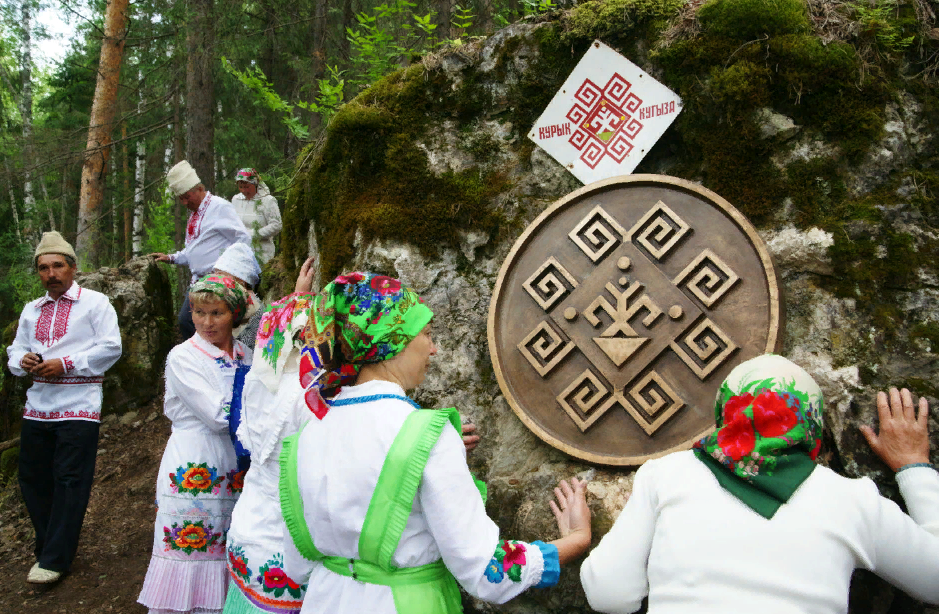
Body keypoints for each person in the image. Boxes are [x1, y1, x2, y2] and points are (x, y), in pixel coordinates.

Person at [272, 272, 591, 614]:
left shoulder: (307, 433)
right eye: (424, 333)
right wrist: (574, 540)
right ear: (392, 342)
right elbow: (486, 572)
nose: (434, 347)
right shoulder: (428, 434)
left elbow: (296, 565)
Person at [580, 354, 939, 614]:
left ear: (726, 413)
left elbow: (608, 593)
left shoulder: (667, 475)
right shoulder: (852, 500)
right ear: (811, 421)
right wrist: (914, 467)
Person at [6, 231, 122, 585]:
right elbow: (14, 350)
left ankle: (55, 559)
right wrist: (21, 360)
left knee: (70, 480)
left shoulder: (96, 303)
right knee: (32, 479)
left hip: (79, 405)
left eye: (58, 265)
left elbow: (111, 348)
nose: (51, 273)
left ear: (73, 267)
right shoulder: (31, 310)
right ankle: (48, 547)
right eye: (44, 267)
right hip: (37, 405)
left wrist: (66, 363)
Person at [138, 275, 253, 614]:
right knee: (193, 544)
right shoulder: (183, 357)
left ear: (234, 313)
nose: (205, 322)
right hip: (196, 458)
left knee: (228, 543)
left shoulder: (245, 353)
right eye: (198, 312)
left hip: (234, 461)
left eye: (215, 313)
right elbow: (218, 414)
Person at [150, 160, 251, 339]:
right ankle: (205, 358)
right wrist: (172, 258)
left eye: (187, 196)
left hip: (218, 280)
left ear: (199, 188)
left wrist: (231, 272)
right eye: (180, 198)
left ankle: (215, 357)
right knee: (191, 322)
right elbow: (194, 250)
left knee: (193, 321)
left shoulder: (219, 207)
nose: (184, 202)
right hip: (198, 282)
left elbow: (242, 238)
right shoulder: (195, 215)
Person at [212, 243, 263, 350]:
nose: (216, 279)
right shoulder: (226, 297)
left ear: (241, 279)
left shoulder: (251, 306)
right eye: (216, 274)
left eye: (221, 274)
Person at [231, 168, 282, 266]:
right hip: (240, 253)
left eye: (247, 187)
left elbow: (277, 225)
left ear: (255, 184)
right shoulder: (236, 199)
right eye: (241, 187)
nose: (244, 190)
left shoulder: (268, 200)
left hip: (262, 254)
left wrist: (254, 234)